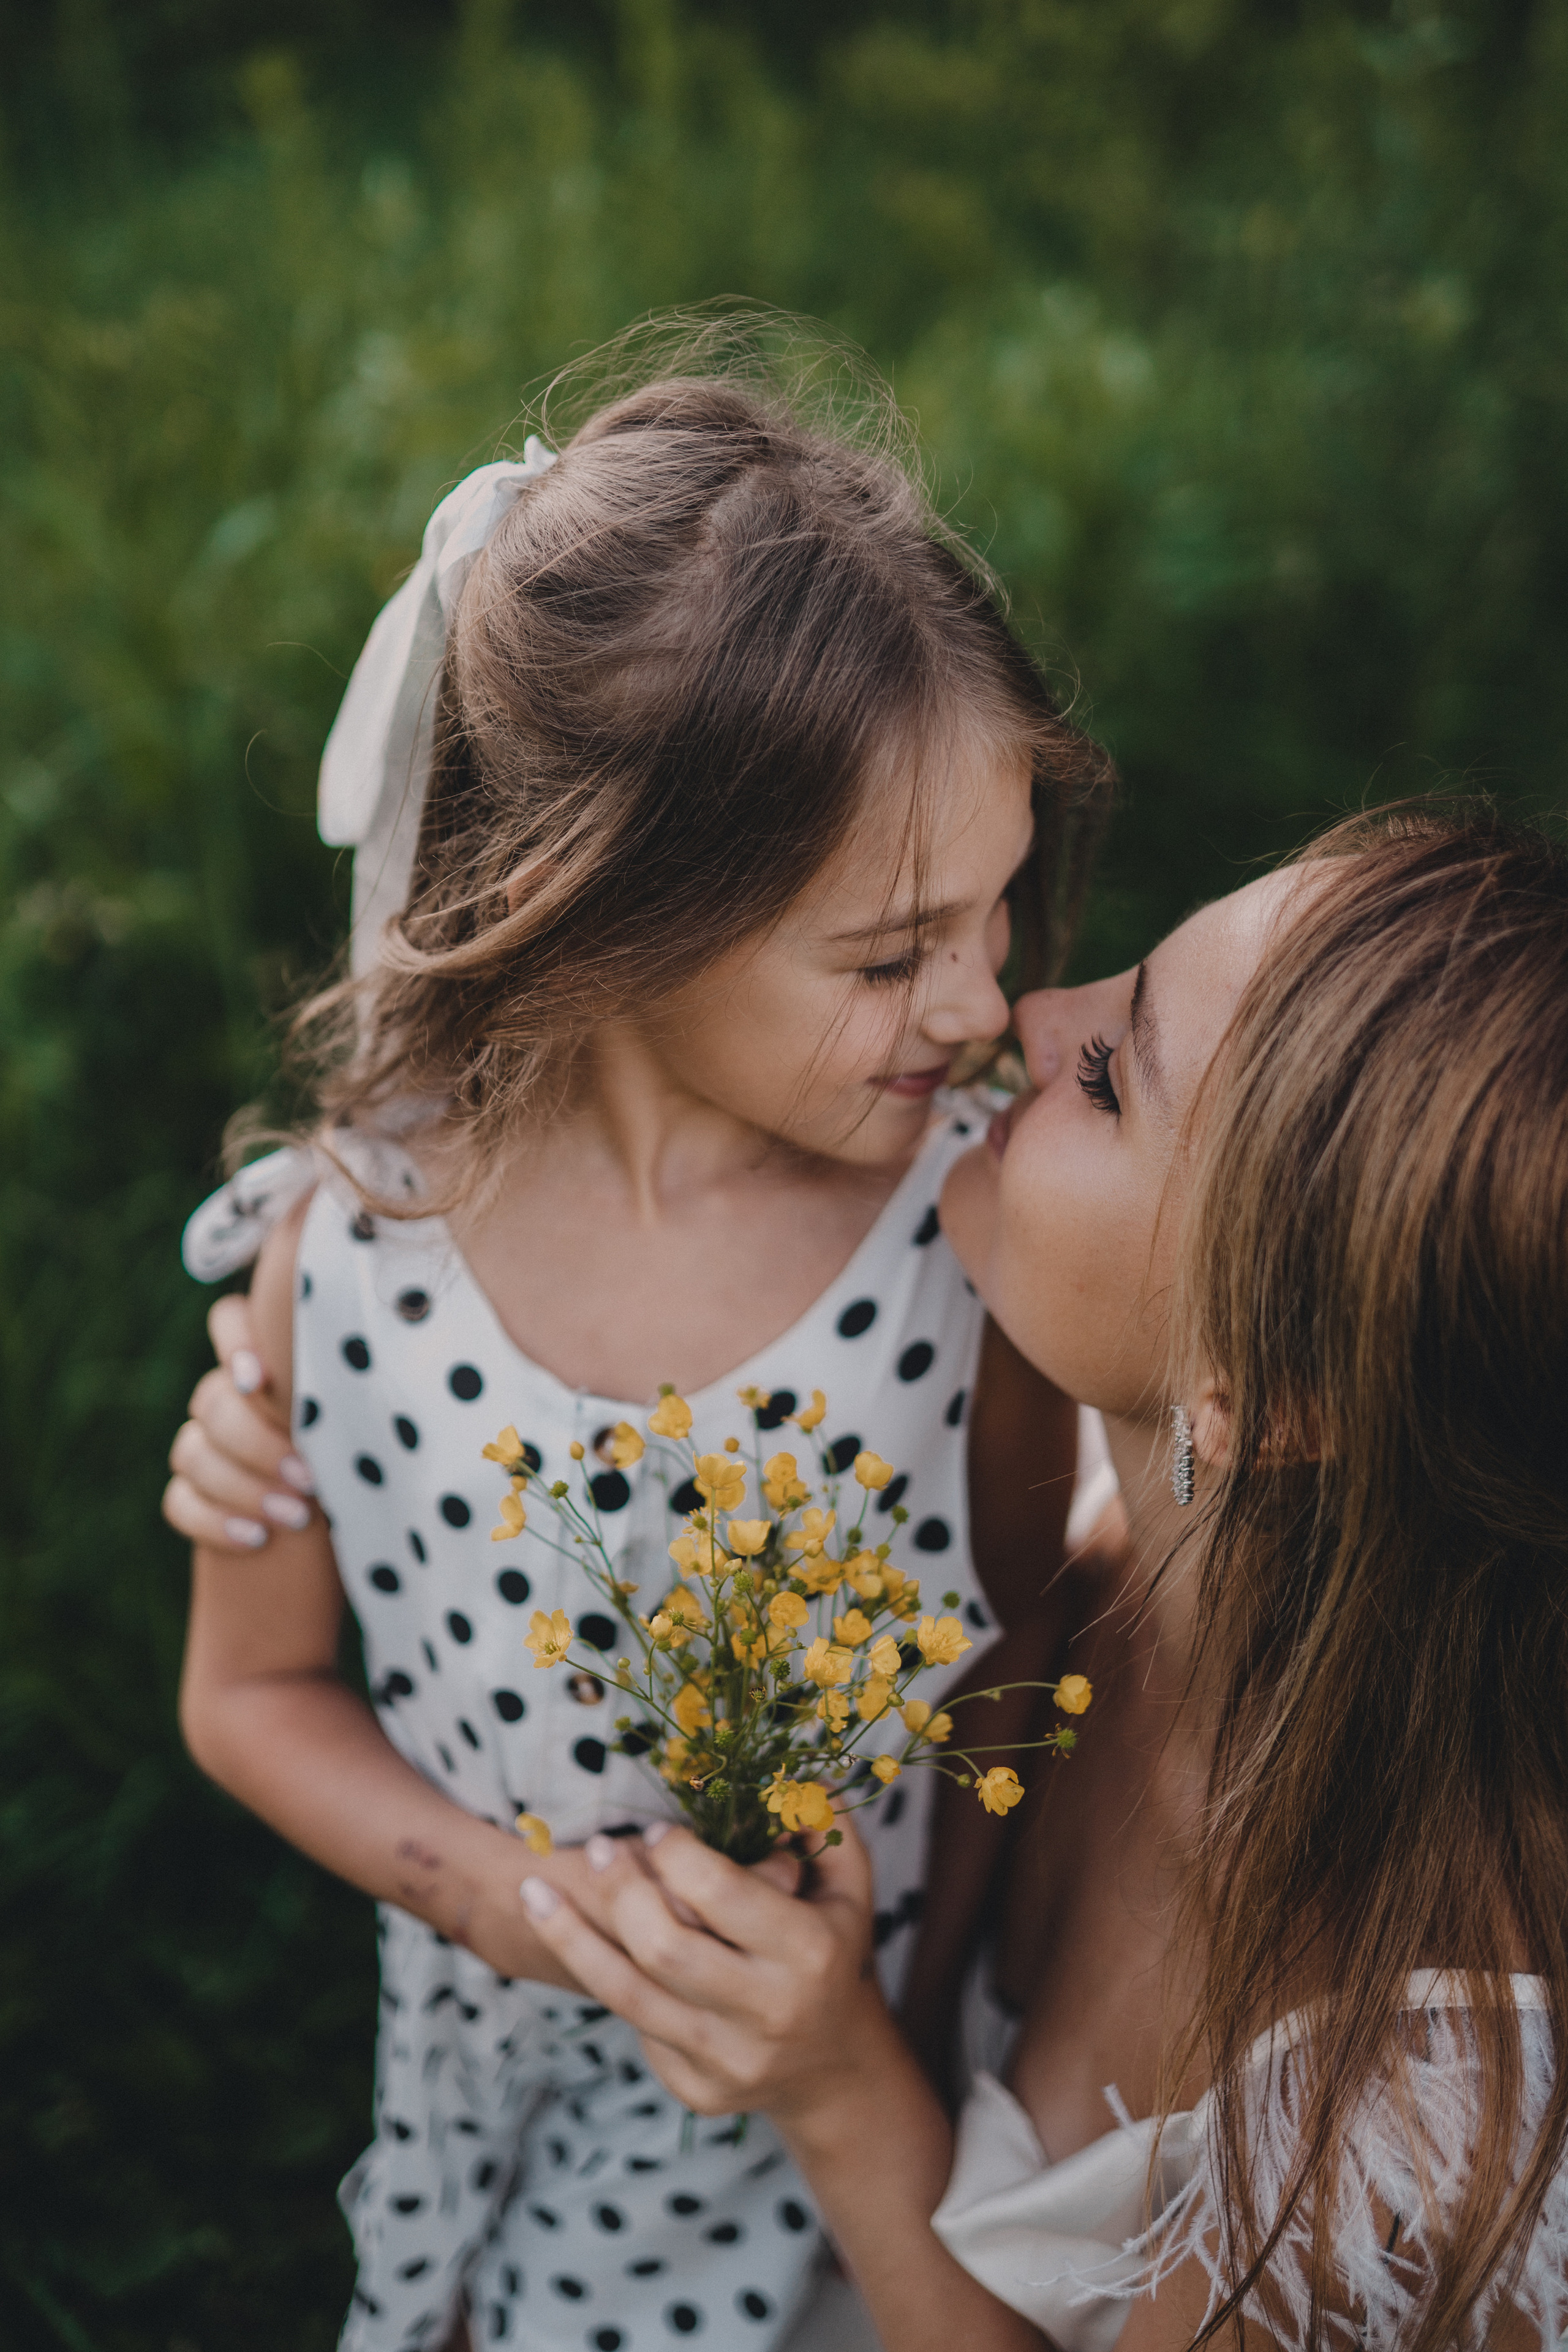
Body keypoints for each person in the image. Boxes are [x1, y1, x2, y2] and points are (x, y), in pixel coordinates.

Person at [170, 322, 1116, 2352]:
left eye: (998, 910)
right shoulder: (346, 1259)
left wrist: (920, 2007)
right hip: (498, 2077)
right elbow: (246, 1698)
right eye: (889, 952)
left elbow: (1023, 1652)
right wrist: (495, 1905)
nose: (979, 1005)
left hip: (859, 2091)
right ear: (615, 925)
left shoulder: (970, 1246)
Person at [512, 805, 1568, 2352]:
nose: (1029, 1010)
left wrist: (838, 2088)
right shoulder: (1084, 1516)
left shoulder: (1407, 2121)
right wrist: (288, 1419)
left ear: (1262, 1401)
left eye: (1104, 1078)